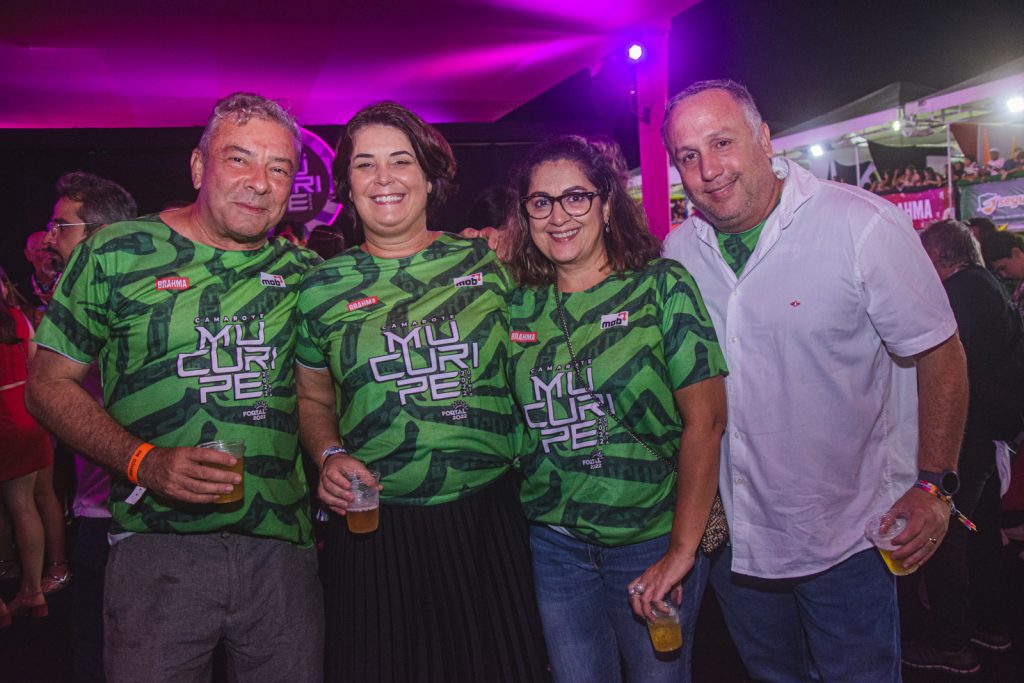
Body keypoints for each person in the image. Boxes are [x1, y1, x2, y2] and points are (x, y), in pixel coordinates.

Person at [661, 79, 968, 682]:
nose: (708, 169)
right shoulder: (679, 251)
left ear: (763, 138)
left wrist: (935, 486)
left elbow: (942, 354)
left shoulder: (861, 226)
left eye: (722, 142)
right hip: (738, 544)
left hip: (845, 536)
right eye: (688, 156)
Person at [25, 92, 324, 682]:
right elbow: (47, 385)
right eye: (238, 159)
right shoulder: (117, 253)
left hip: (281, 555)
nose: (260, 182)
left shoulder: (307, 276)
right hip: (156, 548)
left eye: (279, 167)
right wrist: (142, 461)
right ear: (197, 166)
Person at [295, 101, 548, 682]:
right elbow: (312, 401)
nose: (383, 178)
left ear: (430, 178)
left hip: (488, 519)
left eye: (400, 161)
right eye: (365, 165)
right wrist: (327, 454)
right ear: (347, 186)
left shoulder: (490, 262)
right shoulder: (320, 288)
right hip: (376, 528)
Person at [503, 135, 728, 682]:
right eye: (541, 202)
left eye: (576, 197)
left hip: (650, 540)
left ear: (606, 204)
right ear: (526, 215)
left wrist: (680, 550)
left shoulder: (660, 287)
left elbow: (708, 421)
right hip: (556, 546)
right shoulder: (516, 301)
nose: (559, 216)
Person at [906, 220, 1019, 673]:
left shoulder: (961, 293)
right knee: (979, 529)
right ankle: (988, 626)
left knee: (950, 531)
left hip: (970, 434)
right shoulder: (984, 283)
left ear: (936, 257)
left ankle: (953, 644)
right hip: (991, 429)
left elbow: (946, 372)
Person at [43, 170, 136, 682]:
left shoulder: (122, 302)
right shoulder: (81, 297)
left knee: (107, 649)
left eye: (62, 227)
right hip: (99, 503)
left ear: (98, 234)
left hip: (119, 513)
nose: (50, 238)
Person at [0, 266, 53, 625]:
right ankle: (32, 591)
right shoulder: (18, 318)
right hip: (29, 414)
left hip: (4, 419)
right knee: (24, 507)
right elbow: (37, 363)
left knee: (16, 508)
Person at [16, 232, 61, 327]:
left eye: (53, 250)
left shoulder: (73, 283)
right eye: (44, 250)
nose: (50, 256)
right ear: (28, 254)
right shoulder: (19, 293)